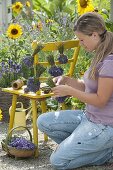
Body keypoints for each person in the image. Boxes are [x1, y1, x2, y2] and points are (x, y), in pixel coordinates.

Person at [37, 12, 113, 170]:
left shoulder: (109, 62)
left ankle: (107, 153)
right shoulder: (99, 53)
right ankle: (85, 147)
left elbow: (100, 100)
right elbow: (88, 87)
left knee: (58, 162)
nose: (80, 44)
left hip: (104, 126)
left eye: (82, 40)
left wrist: (70, 91)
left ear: (94, 35)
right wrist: (67, 80)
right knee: (43, 121)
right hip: (88, 117)